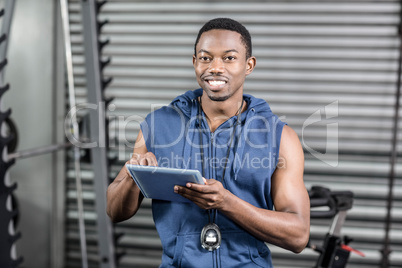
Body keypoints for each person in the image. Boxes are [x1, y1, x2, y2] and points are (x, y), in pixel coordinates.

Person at [107, 18, 310, 267]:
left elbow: (298, 235)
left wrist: (227, 203)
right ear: (194, 63)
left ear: (249, 65)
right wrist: (133, 176)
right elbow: (114, 212)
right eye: (205, 58)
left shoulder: (279, 136)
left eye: (229, 58)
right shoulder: (158, 125)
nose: (215, 67)